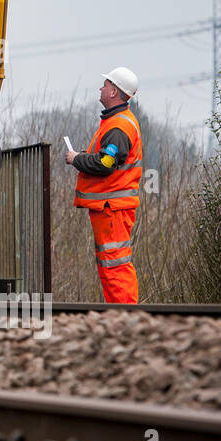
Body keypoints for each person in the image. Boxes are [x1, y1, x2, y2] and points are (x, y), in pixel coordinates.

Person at [65, 67, 142, 304]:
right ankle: (119, 315)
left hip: (112, 209)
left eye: (105, 84)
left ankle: (127, 317)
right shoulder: (117, 122)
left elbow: (106, 163)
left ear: (113, 91)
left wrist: (76, 158)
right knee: (110, 264)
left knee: (115, 264)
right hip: (110, 209)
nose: (101, 88)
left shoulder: (118, 127)